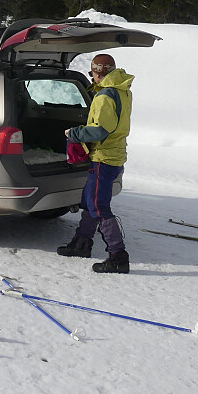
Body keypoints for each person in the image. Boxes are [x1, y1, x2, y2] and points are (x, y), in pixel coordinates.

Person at [57, 53, 134, 274]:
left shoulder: (105, 97)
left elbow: (100, 129)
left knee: (99, 206)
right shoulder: (122, 90)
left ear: (98, 72)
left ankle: (118, 256)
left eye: (93, 73)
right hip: (112, 155)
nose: (93, 77)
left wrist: (75, 133)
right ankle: (82, 243)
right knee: (90, 200)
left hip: (105, 157)